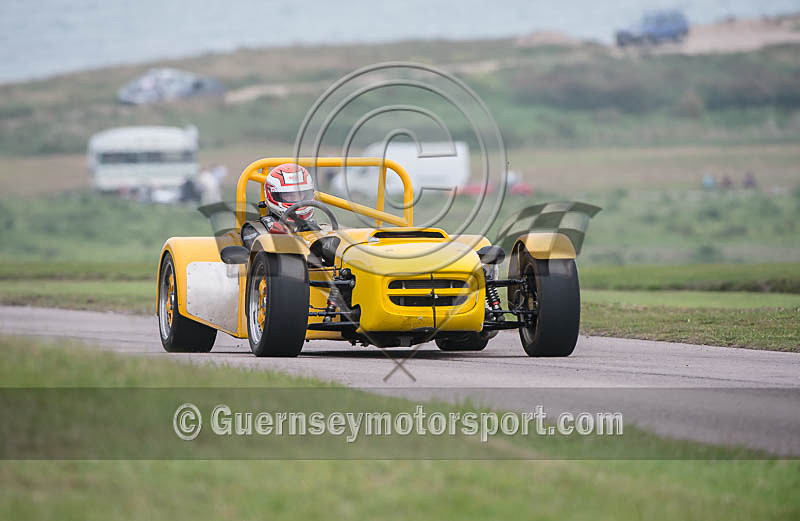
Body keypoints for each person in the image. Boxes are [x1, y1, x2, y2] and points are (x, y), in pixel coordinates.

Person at [260, 163, 318, 233]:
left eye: (299, 195)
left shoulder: (321, 228)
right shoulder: (255, 229)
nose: (295, 200)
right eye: (288, 196)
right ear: (271, 195)